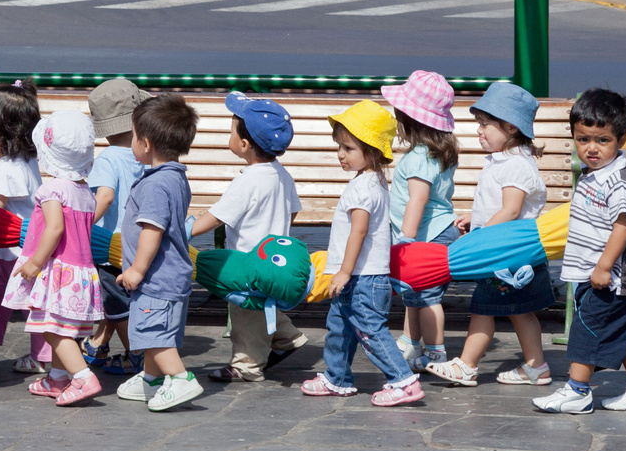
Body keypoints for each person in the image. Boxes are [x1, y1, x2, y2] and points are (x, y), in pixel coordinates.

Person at [533, 89, 626, 414]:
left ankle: (577, 391)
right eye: (583, 139)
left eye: (602, 140)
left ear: (622, 139)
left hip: (612, 279)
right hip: (598, 276)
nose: (591, 148)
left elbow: (623, 227)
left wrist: (604, 267)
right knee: (624, 330)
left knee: (585, 331)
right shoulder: (594, 175)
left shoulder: (617, 183)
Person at [425, 82, 554, 388]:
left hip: (505, 254)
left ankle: (467, 366)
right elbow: (502, 207)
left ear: (510, 127)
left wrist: (479, 236)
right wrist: (476, 218)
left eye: (485, 125)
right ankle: (537, 366)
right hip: (512, 254)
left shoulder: (515, 166)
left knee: (483, 308)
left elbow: (510, 211)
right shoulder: (505, 161)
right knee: (521, 312)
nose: (479, 131)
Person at [300, 100, 424, 407]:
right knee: (340, 327)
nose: (341, 154)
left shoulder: (361, 188)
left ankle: (403, 381)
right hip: (363, 277)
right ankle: (337, 377)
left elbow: (359, 230)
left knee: (370, 331)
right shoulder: (376, 181)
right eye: (339, 147)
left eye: (349, 148)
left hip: (361, 279)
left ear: (372, 149)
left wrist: (343, 271)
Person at [190, 91, 308, 383]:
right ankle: (288, 337)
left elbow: (218, 215)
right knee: (263, 303)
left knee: (245, 313)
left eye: (231, 131)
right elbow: (293, 211)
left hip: (248, 261)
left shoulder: (247, 181)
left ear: (243, 145)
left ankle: (247, 365)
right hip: (274, 259)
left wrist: (184, 230)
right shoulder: (282, 174)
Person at [2, 110, 104, 406]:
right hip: (81, 272)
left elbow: (55, 228)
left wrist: (34, 263)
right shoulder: (85, 191)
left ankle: (83, 377)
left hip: (59, 272)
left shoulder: (51, 190)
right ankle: (57, 377)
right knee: (65, 330)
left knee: (52, 330)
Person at [113, 94, 206, 412]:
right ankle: (151, 378)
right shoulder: (174, 177)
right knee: (154, 330)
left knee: (155, 334)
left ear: (146, 143)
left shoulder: (155, 185)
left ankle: (180, 378)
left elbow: (152, 230)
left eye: (135, 137)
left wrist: (137, 269)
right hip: (170, 276)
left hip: (156, 278)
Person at [382, 70, 460, 373]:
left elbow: (418, 198)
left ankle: (437, 353)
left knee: (426, 297)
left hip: (425, 237)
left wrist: (406, 237)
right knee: (414, 292)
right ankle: (412, 342)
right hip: (435, 233)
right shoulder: (436, 151)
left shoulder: (418, 157)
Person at [0, 80, 48, 375]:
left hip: (11, 252)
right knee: (13, 301)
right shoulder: (27, 159)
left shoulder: (4, 169)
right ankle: (39, 356)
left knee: (6, 302)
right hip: (22, 250)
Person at [83, 79, 149, 375]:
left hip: (110, 247)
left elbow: (105, 196)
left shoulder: (107, 158)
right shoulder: (145, 155)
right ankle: (98, 344)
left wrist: (82, 225)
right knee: (124, 301)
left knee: (117, 304)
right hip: (140, 241)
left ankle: (138, 357)